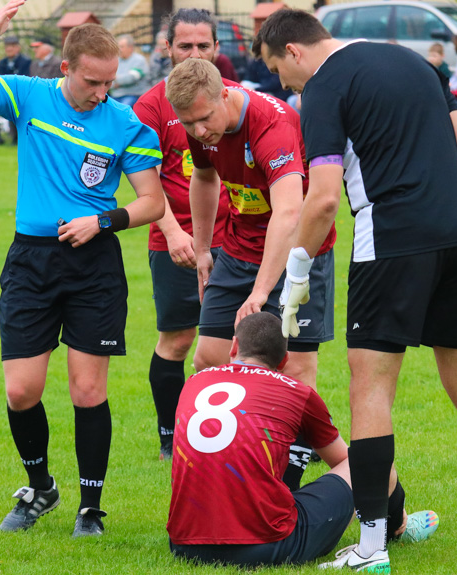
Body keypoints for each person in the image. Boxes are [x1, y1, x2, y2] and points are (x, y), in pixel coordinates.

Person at [255, 9, 457, 571]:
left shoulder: (325, 85)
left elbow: (324, 197)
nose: (284, 85)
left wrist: (296, 274)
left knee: (370, 392)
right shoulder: (415, 62)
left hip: (390, 246)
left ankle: (373, 545)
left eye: (279, 70)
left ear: (295, 51)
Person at [0, 0, 164, 538]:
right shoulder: (28, 95)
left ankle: (91, 507)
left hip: (93, 265)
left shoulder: (125, 123)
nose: (101, 92)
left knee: (88, 390)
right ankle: (41, 489)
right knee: (22, 391)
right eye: (91, 81)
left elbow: (151, 201)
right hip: (31, 261)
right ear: (65, 69)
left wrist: (103, 222)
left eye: (109, 82)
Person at [164, 58, 338, 490]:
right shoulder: (200, 123)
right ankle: (220, 458)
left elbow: (289, 212)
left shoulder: (271, 126)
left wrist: (261, 292)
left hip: (300, 253)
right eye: (190, 123)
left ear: (225, 93)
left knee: (295, 368)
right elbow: (204, 178)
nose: (200, 130)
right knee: (207, 358)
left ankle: (289, 483)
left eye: (205, 119)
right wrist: (203, 248)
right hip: (239, 252)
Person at [168, 312, 439, 567]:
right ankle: (398, 526)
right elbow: (346, 462)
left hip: (183, 543)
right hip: (266, 544)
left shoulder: (193, 382)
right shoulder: (297, 391)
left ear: (234, 346)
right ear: (284, 361)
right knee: (370, 460)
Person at [132, 8, 233, 462]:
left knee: (241, 340)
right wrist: (174, 234)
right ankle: (171, 437)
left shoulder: (233, 99)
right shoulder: (151, 105)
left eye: (203, 45)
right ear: (166, 48)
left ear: (217, 49)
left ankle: (238, 433)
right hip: (174, 241)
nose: (194, 53)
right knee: (177, 339)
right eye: (185, 45)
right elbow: (145, 181)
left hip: (234, 240)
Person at [0, 35, 31, 145]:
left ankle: (16, 137)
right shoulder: (3, 63)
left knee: (15, 106)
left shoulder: (25, 62)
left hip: (20, 94)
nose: (9, 49)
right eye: (7, 47)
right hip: (5, 93)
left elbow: (25, 79)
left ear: (18, 48)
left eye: (12, 46)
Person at [110, 34, 150, 106]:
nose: (119, 49)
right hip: (115, 95)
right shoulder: (116, 60)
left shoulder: (139, 60)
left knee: (122, 110)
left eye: (122, 47)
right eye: (118, 46)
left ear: (130, 47)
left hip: (133, 95)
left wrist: (115, 78)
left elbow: (131, 78)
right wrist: (114, 82)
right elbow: (107, 79)